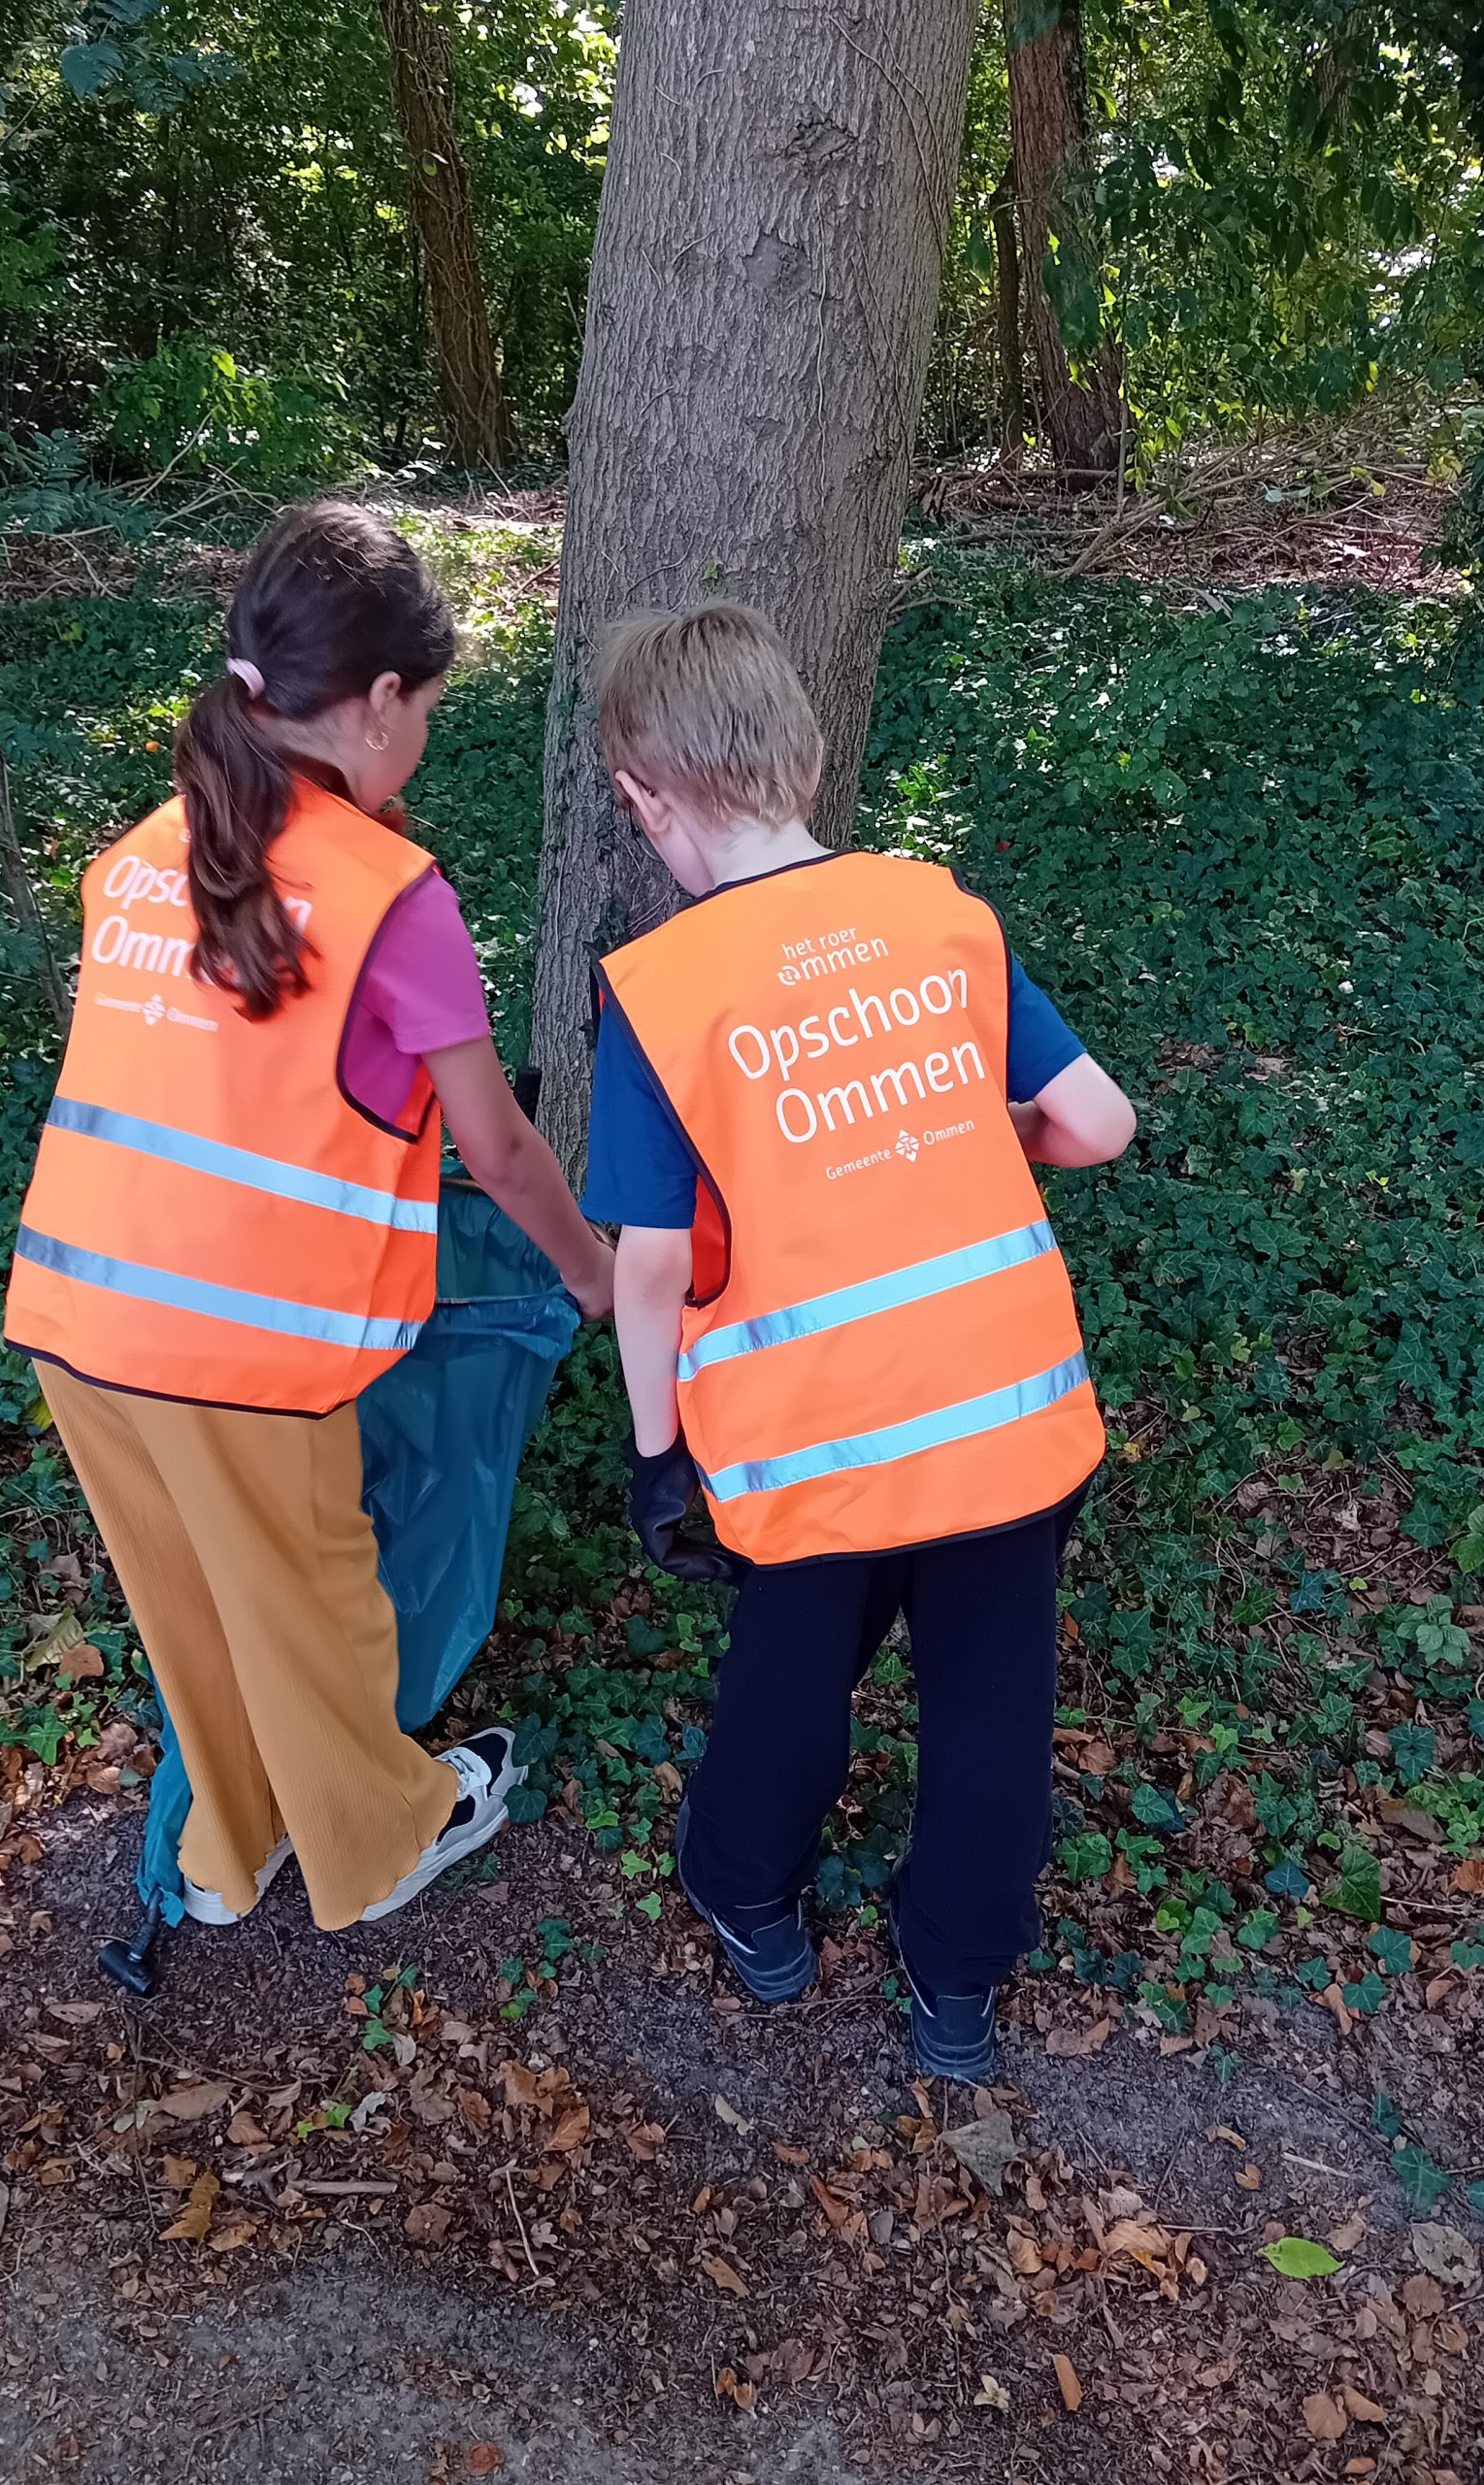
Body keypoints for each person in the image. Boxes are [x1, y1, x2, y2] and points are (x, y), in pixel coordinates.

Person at [5, 501, 612, 1937]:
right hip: (240, 1347)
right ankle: (381, 1842)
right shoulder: (390, 896)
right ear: (380, 700)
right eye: (429, 713)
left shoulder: (144, 849)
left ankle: (226, 1855)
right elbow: (502, 1146)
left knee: (192, 1604)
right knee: (319, 1607)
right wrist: (589, 1274)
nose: (427, 744)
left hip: (78, 1316)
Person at [583, 604, 1136, 2082]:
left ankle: (750, 1899)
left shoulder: (665, 992)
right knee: (992, 1695)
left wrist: (656, 1462)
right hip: (1010, 1408)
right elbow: (1098, 1123)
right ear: (802, 753)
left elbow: (647, 1271)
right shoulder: (937, 917)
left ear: (647, 799)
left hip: (818, 1432)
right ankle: (955, 1986)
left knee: (794, 1665)